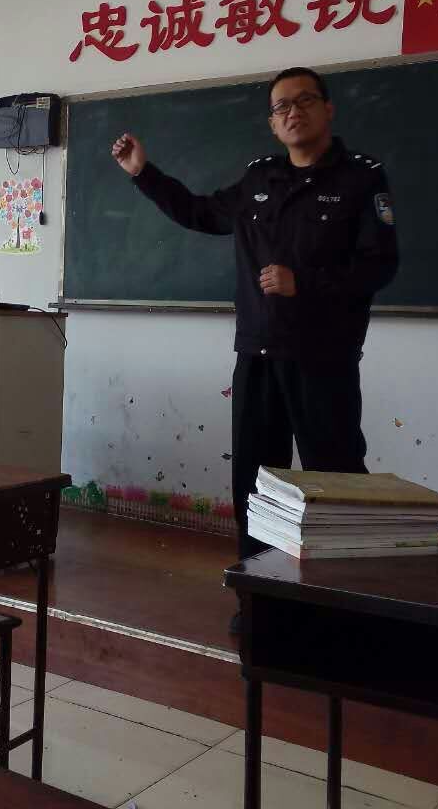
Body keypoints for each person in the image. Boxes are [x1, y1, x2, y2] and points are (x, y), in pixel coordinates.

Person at [111, 67, 399, 632]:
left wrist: (305, 282)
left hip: (324, 358)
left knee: (336, 480)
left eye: (304, 101)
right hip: (258, 355)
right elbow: (199, 213)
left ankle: (349, 608)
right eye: (281, 106)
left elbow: (380, 265)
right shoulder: (259, 178)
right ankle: (260, 600)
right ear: (272, 122)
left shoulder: (361, 178)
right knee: (257, 485)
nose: (293, 112)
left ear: (328, 109)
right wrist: (144, 173)